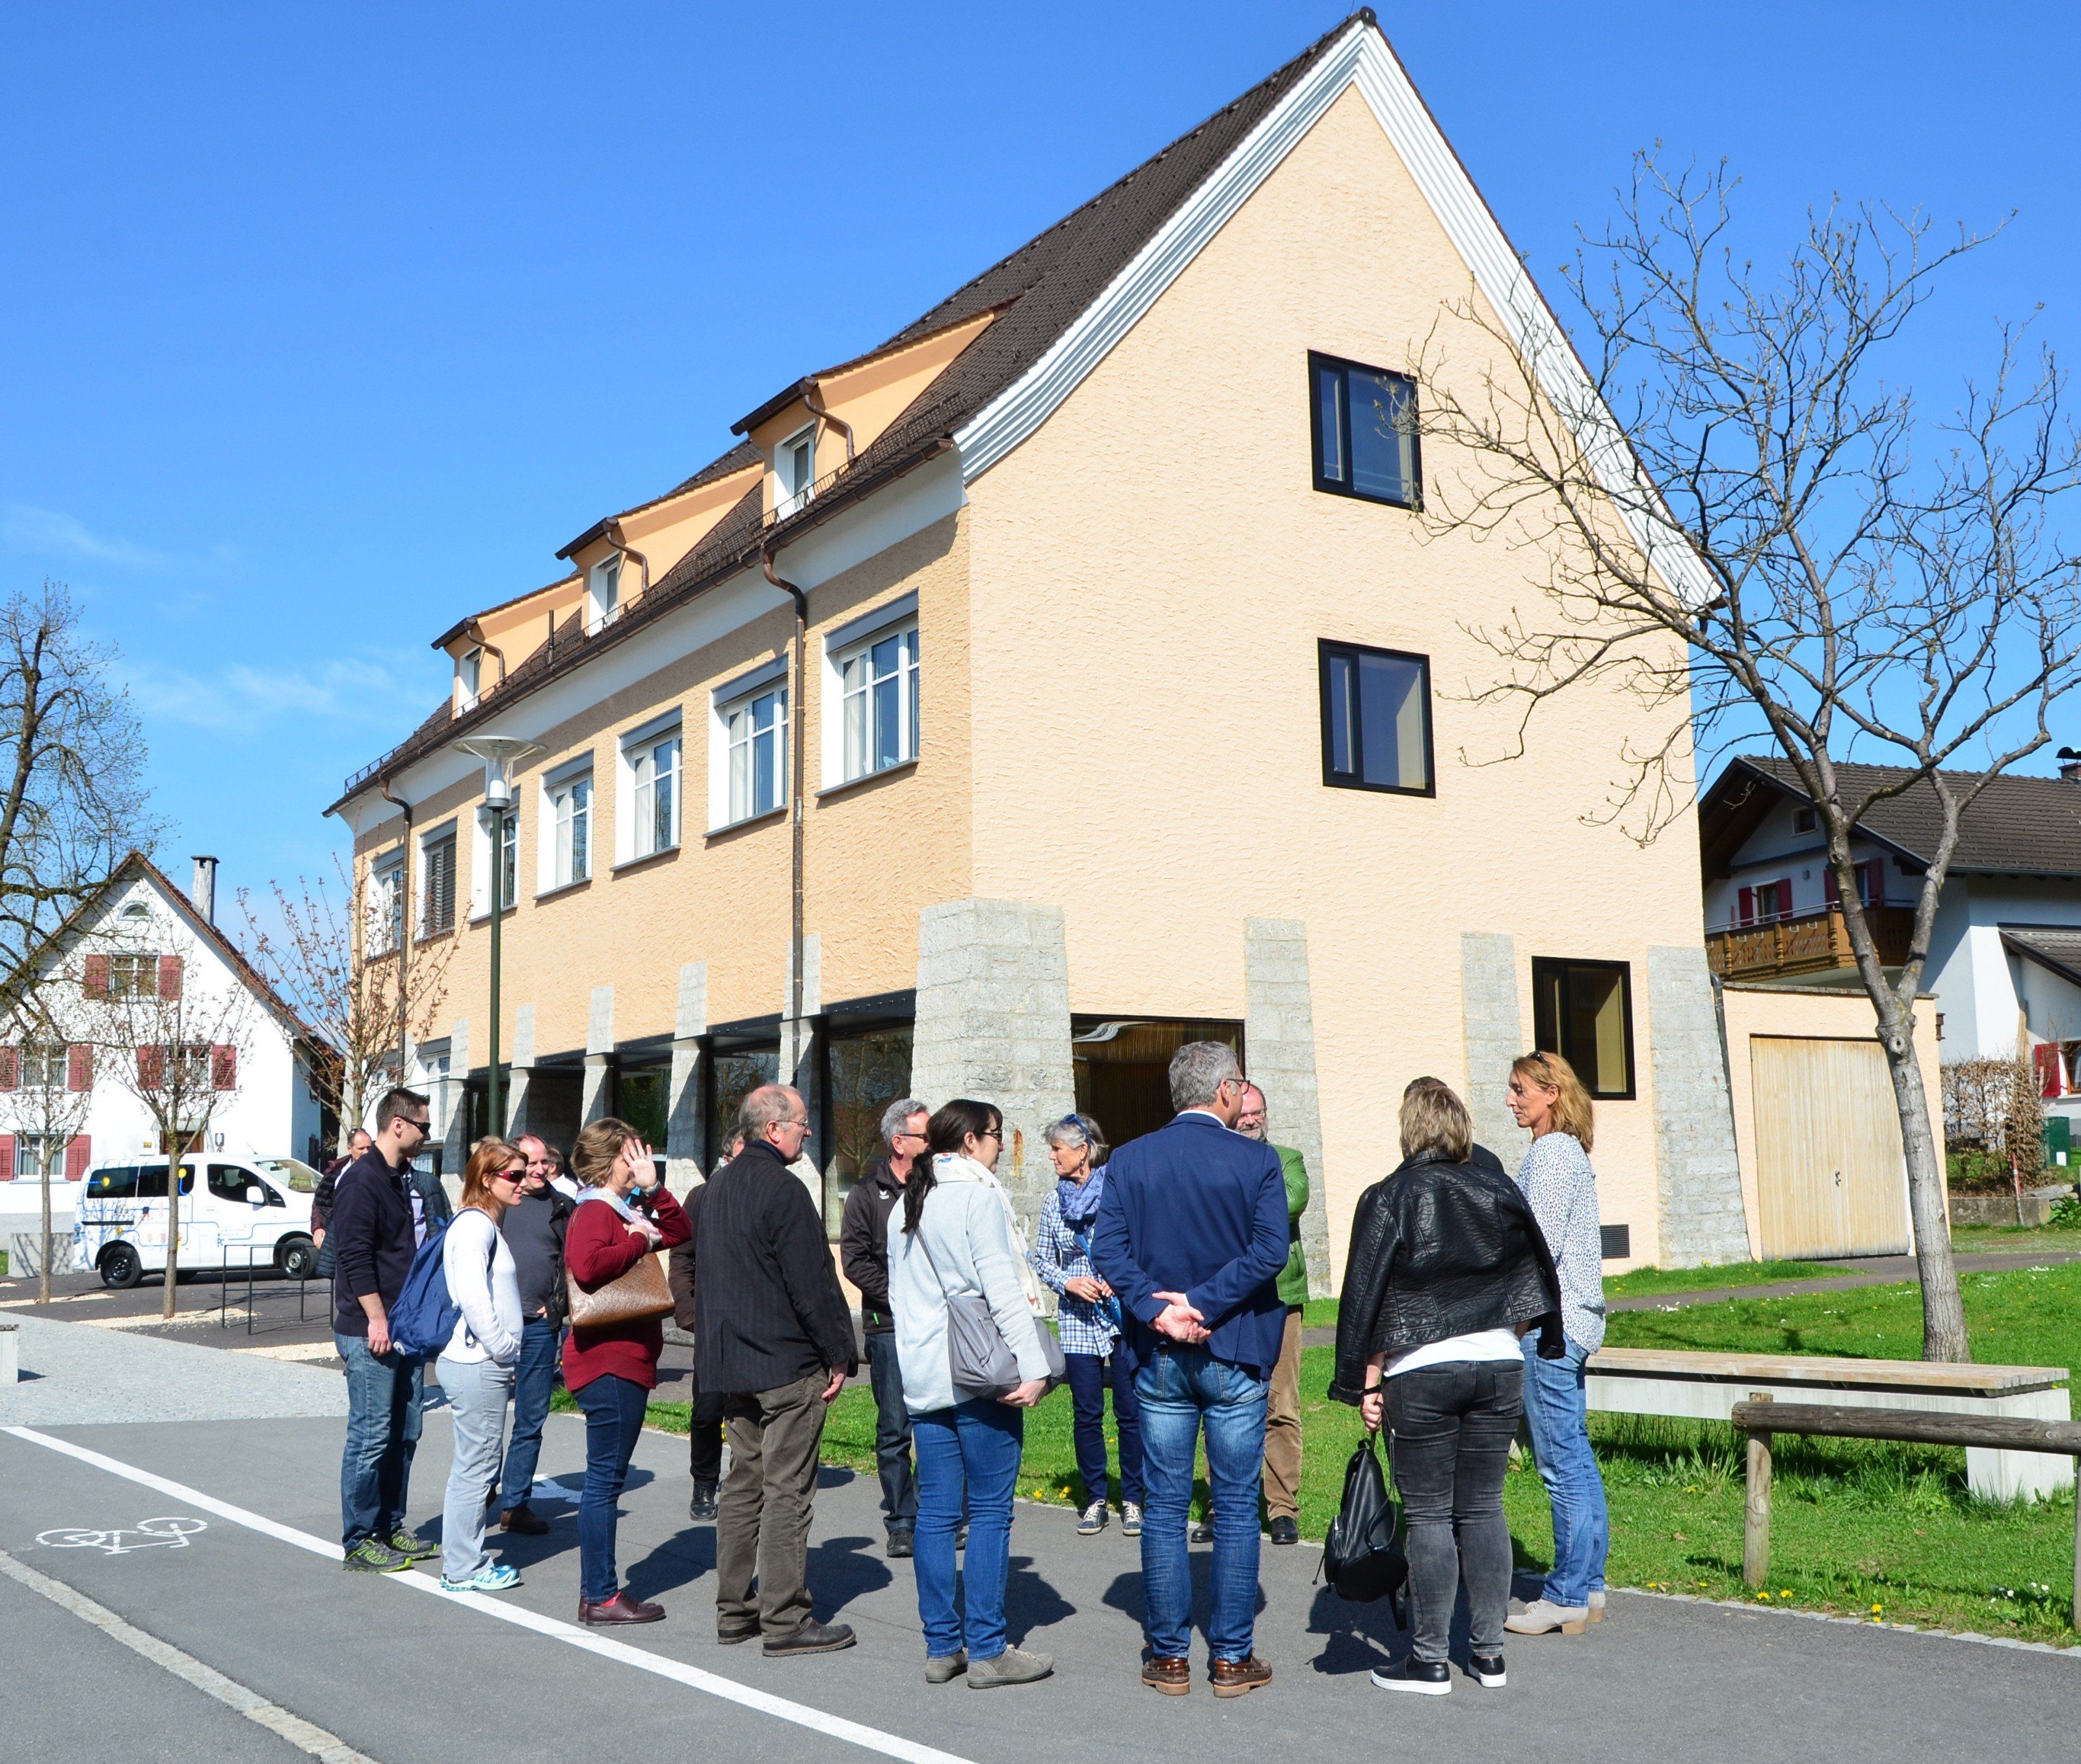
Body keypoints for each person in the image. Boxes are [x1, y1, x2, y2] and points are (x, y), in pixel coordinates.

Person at [1331, 1077, 1564, 1695]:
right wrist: (1505, 1337)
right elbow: (1535, 1276)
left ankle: (1430, 1659)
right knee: (1485, 1508)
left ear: (1409, 1128)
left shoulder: (1388, 1196)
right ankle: (1489, 1656)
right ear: (1461, 1125)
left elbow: (1368, 1297)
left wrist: (1367, 1381)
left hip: (1420, 1369)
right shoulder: (1498, 1189)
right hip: (1498, 1362)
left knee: (1430, 1513)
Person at [1091, 1042, 1288, 1700]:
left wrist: (1159, 1308)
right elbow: (1268, 1250)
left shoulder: (1129, 1158)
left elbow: (1108, 1251)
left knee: (1166, 1506)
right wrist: (1199, 1304)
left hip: (1160, 1354)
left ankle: (1169, 1656)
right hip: (1233, 1347)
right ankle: (1230, 1658)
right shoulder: (1256, 1158)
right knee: (1233, 1507)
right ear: (1227, 1089)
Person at [888, 1098, 1055, 1689]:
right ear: (968, 1142)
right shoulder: (976, 1196)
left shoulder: (907, 1200)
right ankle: (987, 1647)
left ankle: (943, 1646)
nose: (999, 1149)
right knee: (988, 1510)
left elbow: (900, 1298)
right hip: (980, 1372)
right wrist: (1032, 1367)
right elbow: (1001, 1289)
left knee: (935, 1513)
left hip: (927, 1374)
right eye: (995, 1137)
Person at [691, 1085, 858, 1655]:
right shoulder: (782, 1189)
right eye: (801, 1123)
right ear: (772, 1129)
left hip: (732, 1362)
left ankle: (734, 1609)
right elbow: (812, 1282)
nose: (807, 1131)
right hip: (783, 1361)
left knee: (742, 1485)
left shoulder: (715, 1189)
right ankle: (785, 1618)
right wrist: (839, 1351)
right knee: (786, 1489)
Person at [563, 1116, 691, 1626]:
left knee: (604, 1480)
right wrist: (638, 1240)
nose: (639, 1162)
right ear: (610, 1158)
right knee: (603, 1483)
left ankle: (599, 1591)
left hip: (623, 1363)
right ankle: (601, 1595)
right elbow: (588, 1266)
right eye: (632, 1154)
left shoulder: (622, 1207)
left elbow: (682, 1230)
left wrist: (653, 1188)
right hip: (609, 1365)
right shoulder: (596, 1209)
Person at [1502, 1050, 1612, 1638]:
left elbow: (1534, 1250)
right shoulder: (1569, 1152)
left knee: (1559, 1462)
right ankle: (1589, 1585)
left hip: (1551, 1328)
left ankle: (1566, 1593)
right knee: (1575, 1453)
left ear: (1551, 1092)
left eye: (1521, 1089)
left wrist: (1514, 1323)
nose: (1512, 1098)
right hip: (1576, 1321)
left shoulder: (1549, 1154)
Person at [331, 1088, 439, 1573]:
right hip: (370, 1327)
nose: (427, 1135)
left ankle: (389, 1525)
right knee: (372, 1433)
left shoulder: (399, 1178)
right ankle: (359, 1538)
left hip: (404, 1327)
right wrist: (376, 1317)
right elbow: (353, 1255)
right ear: (399, 1124)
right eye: (424, 1127)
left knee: (405, 1430)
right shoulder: (362, 1179)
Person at [1030, 1113, 1142, 1538]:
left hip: (1118, 1321)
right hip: (1077, 1324)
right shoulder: (1052, 1202)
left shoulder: (1118, 1193)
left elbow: (1138, 1246)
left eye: (1057, 1148)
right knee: (1087, 1413)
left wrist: (1118, 1277)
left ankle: (1132, 1497)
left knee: (1130, 1412)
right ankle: (1096, 1497)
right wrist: (1068, 1281)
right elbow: (1040, 1259)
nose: (1051, 1155)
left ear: (1082, 1150)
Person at [838, 1097, 929, 1556]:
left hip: (935, 1325)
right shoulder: (864, 1194)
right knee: (895, 1425)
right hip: (888, 1326)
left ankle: (938, 1514)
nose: (933, 1144)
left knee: (937, 1422)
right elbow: (853, 1261)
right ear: (899, 1142)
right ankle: (902, 1521)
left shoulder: (935, 1188)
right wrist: (900, 1293)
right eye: (925, 1136)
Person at [437, 1138, 528, 1593]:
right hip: (478, 1361)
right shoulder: (476, 1227)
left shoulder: (480, 1224)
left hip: (475, 1360)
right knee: (478, 1467)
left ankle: (461, 1560)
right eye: (514, 1174)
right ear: (487, 1178)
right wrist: (503, 1347)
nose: (524, 1182)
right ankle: (463, 1566)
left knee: (473, 1464)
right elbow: (474, 1297)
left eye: (525, 1172)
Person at [1232, 1083, 1308, 1547]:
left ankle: (1282, 1508)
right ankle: (1225, 1505)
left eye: (1257, 1112)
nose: (1251, 1120)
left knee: (1281, 1404)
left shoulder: (1288, 1158)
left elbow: (1289, 1202)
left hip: (1280, 1295)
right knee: (1226, 1404)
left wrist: (1230, 1207)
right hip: (1228, 1300)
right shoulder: (1216, 1156)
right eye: (1243, 1113)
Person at [494, 1132, 572, 1535]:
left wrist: (557, 1306)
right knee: (489, 1418)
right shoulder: (497, 1203)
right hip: (493, 1326)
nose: (539, 1169)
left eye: (544, 1162)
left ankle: (515, 1505)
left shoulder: (563, 1206)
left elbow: (572, 1266)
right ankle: (484, 1490)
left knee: (530, 1418)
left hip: (541, 1327)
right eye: (530, 1162)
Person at [311, 1128, 371, 1254]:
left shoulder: (379, 1172)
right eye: (361, 1149)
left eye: (369, 1148)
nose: (366, 1152)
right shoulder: (336, 1172)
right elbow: (320, 1203)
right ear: (349, 1149)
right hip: (338, 1238)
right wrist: (318, 1228)